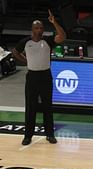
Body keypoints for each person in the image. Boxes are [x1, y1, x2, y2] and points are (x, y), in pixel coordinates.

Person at [12, 11, 66, 146]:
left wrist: (54, 22)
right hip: (32, 76)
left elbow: (62, 37)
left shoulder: (47, 40)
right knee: (31, 107)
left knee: (48, 106)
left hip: (46, 76)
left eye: (41, 28)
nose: (40, 30)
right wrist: (26, 61)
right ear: (32, 29)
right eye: (37, 28)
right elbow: (14, 52)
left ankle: (50, 134)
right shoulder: (25, 42)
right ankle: (27, 136)